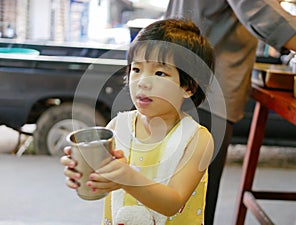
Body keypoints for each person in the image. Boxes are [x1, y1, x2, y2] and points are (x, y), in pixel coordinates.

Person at [61, 18, 216, 225]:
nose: (143, 81)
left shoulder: (197, 139)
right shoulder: (118, 127)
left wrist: (126, 177)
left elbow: (173, 203)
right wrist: (81, 171)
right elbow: (97, 181)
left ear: (189, 87)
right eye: (136, 69)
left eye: (160, 73)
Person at [164, 0, 296, 224]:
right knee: (192, 203)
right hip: (204, 92)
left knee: (170, 193)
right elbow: (264, 14)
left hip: (181, 81)